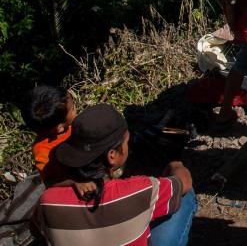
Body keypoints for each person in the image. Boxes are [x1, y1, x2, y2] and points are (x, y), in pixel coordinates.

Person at [35, 104, 196, 246]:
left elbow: (37, 231)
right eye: (126, 142)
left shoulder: (47, 201)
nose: (127, 146)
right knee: (185, 195)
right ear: (112, 155)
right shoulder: (138, 190)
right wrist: (175, 165)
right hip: (145, 194)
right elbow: (184, 182)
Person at [22, 86, 77, 179]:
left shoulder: (71, 123)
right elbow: (50, 181)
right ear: (59, 128)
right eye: (73, 109)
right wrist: (75, 182)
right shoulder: (42, 150)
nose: (76, 108)